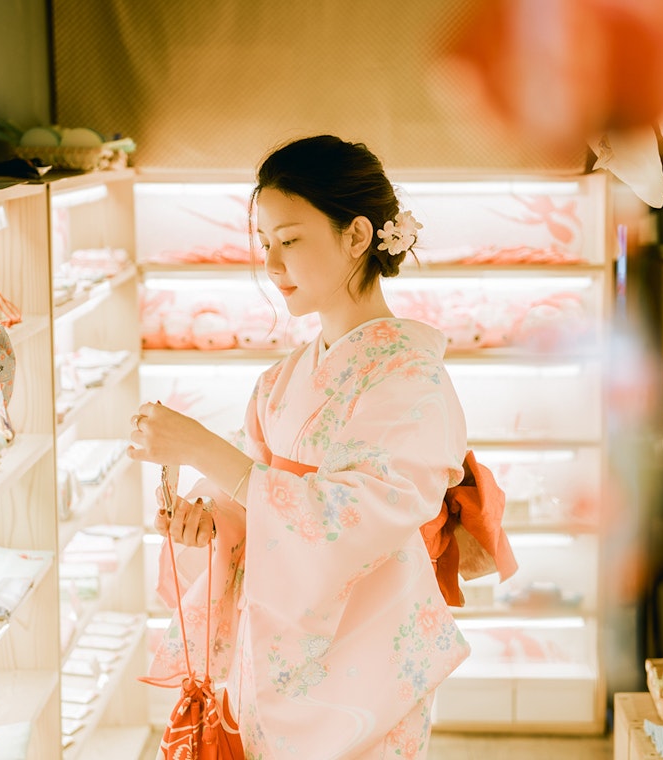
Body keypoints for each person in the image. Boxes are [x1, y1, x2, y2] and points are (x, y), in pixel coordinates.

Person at [128, 134, 471, 759]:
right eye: (265, 245)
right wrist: (209, 524)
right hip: (274, 658)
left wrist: (205, 450)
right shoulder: (283, 380)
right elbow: (250, 498)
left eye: (289, 241)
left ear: (357, 235)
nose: (273, 266)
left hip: (363, 660)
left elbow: (357, 519)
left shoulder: (410, 379)